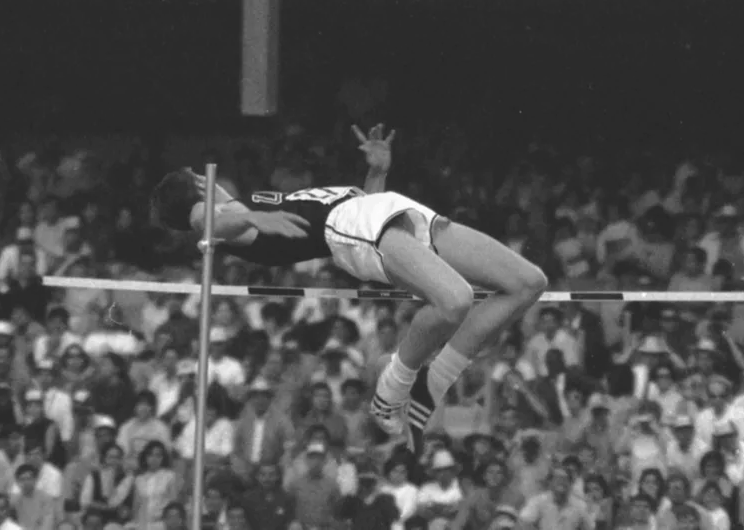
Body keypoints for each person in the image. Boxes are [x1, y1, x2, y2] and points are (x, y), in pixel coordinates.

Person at [151, 125, 547, 450]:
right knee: (455, 301)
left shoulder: (242, 205)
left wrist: (376, 173)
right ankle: (393, 388)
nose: (208, 178)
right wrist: (253, 217)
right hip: (350, 226)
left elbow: (370, 229)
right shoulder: (218, 215)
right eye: (198, 177)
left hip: (383, 212)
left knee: (527, 283)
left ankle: (432, 383)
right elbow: (208, 223)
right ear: (196, 188)